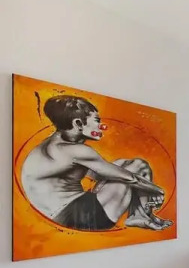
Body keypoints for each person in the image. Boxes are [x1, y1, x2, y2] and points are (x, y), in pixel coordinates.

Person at [20, 95, 173, 231]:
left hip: (63, 213)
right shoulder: (76, 150)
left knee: (127, 165)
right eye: (97, 121)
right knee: (138, 167)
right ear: (78, 123)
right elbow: (130, 178)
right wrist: (157, 190)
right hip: (76, 216)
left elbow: (98, 175)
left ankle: (138, 215)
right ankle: (140, 215)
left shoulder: (51, 146)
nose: (101, 126)